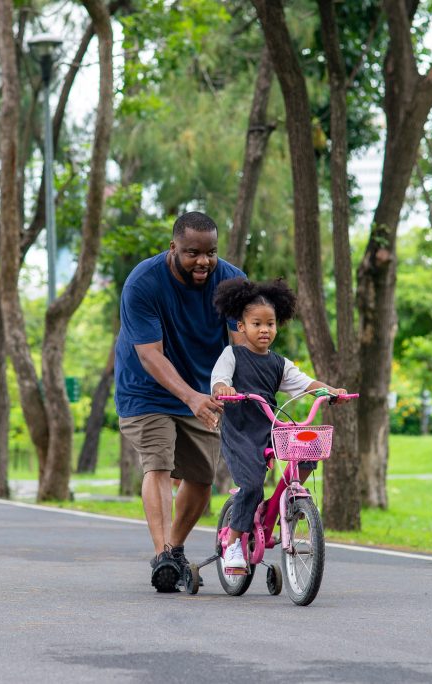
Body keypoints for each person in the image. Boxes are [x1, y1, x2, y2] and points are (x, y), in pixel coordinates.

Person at [114, 211, 246, 593]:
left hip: (203, 388)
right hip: (148, 388)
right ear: (173, 247)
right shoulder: (144, 282)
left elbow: (243, 345)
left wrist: (243, 392)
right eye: (192, 253)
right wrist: (189, 397)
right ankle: (163, 555)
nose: (203, 262)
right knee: (159, 463)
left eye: (210, 253)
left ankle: (174, 549)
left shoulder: (232, 282)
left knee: (202, 477)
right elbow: (150, 355)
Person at [209, 278, 351, 569]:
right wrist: (223, 388)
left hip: (270, 428)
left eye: (270, 324)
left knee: (308, 453)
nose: (264, 330)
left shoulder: (278, 363)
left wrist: (330, 391)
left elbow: (305, 383)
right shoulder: (232, 355)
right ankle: (235, 543)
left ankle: (285, 507)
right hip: (240, 432)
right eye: (256, 323)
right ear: (241, 327)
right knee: (251, 485)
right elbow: (220, 379)